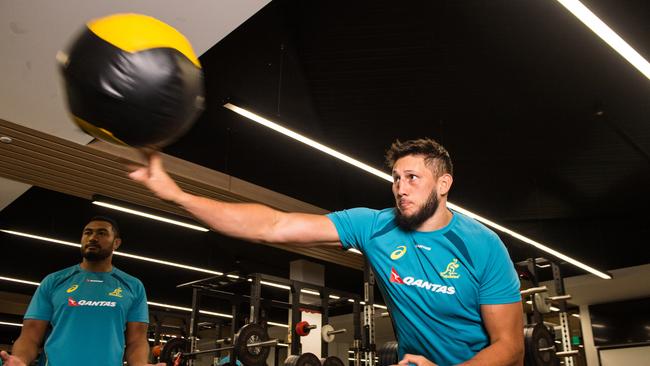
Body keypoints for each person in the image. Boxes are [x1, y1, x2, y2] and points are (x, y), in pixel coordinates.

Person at [127, 138, 524, 366]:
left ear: (443, 184)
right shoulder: (374, 225)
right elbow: (272, 226)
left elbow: (509, 345)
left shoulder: (482, 246)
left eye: (413, 178)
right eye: (396, 178)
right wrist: (177, 195)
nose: (400, 188)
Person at [0, 216, 163, 366]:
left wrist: (140, 364)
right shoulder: (54, 281)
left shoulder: (132, 286)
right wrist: (20, 360)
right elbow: (30, 336)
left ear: (116, 243)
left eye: (102, 233)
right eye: (88, 233)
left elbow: (137, 341)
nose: (92, 238)